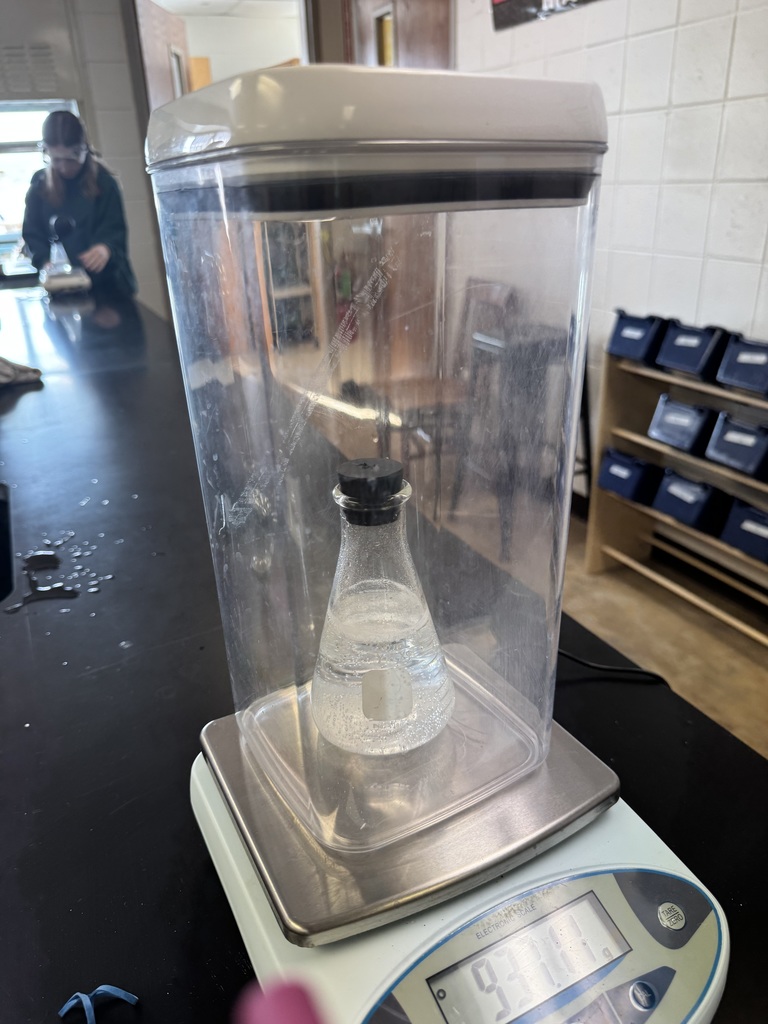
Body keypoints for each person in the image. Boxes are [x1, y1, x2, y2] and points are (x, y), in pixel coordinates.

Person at [22, 110, 137, 297]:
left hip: (108, 286)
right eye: (57, 160)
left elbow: (115, 229)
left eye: (71, 159)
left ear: (84, 149)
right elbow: (32, 233)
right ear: (47, 152)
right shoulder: (39, 185)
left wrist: (105, 248)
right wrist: (44, 261)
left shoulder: (105, 183)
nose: (64, 167)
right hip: (60, 287)